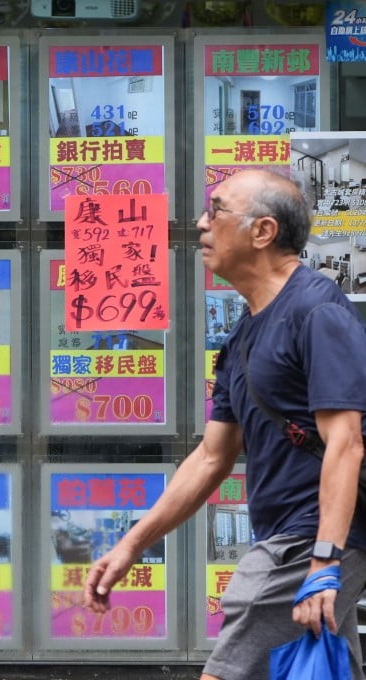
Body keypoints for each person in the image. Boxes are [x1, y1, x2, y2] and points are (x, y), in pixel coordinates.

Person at [84, 168, 366, 680]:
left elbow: (346, 444)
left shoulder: (318, 312)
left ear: (263, 232)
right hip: (293, 538)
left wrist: (325, 561)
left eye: (216, 210)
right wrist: (131, 544)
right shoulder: (242, 336)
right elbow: (212, 456)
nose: (200, 223)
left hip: (307, 543)